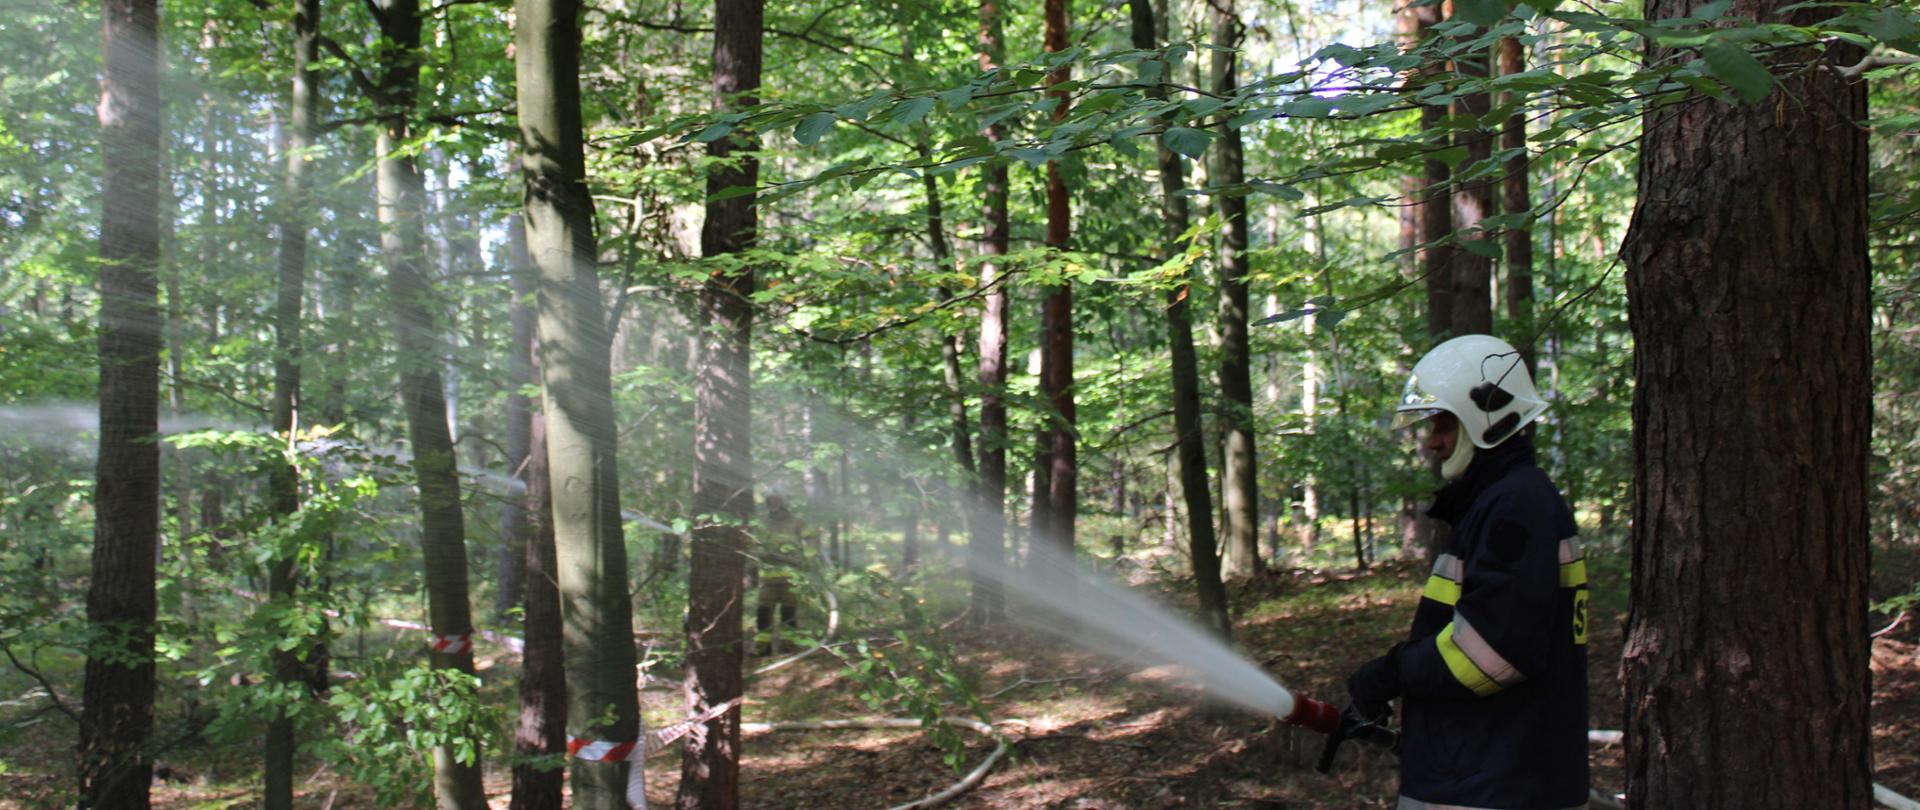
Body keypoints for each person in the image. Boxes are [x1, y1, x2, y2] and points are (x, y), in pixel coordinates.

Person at [1346, 334, 1590, 810]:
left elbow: (1493, 653)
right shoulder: (1504, 501)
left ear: (1487, 417)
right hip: (1489, 776)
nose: (1433, 441)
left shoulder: (1516, 506)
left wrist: (1391, 672)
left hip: (1493, 784)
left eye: (1444, 422)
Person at [753, 494, 813, 656]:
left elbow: (811, 543)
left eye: (777, 500)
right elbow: (753, 546)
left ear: (784, 502)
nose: (773, 504)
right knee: (763, 612)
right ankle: (762, 646)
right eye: (770, 501)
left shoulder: (797, 522)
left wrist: (805, 560)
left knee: (789, 612)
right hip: (768, 579)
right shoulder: (762, 524)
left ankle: (788, 645)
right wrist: (764, 554)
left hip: (791, 578)